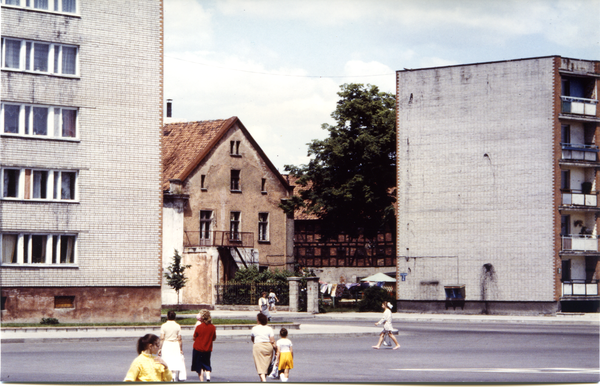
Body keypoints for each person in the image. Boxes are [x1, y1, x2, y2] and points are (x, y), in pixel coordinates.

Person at [158, 311, 186, 381]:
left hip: (166, 344)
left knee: (166, 361)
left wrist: (160, 348)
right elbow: (179, 339)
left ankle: (168, 377)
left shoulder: (164, 326)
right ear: (175, 317)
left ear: (167, 316)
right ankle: (173, 377)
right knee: (174, 361)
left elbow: (162, 338)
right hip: (175, 344)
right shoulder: (177, 326)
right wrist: (180, 349)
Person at [192, 310, 217, 382]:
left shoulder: (199, 327)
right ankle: (208, 377)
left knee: (199, 367)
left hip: (198, 349)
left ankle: (202, 381)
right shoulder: (212, 327)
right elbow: (214, 338)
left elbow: (194, 337)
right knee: (207, 364)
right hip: (207, 349)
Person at [251, 312, 276, 382]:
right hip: (268, 347)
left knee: (259, 366)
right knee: (266, 366)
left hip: (258, 346)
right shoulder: (269, 328)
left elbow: (252, 339)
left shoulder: (254, 328)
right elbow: (272, 341)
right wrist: (276, 350)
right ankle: (262, 381)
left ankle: (264, 381)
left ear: (258, 320)